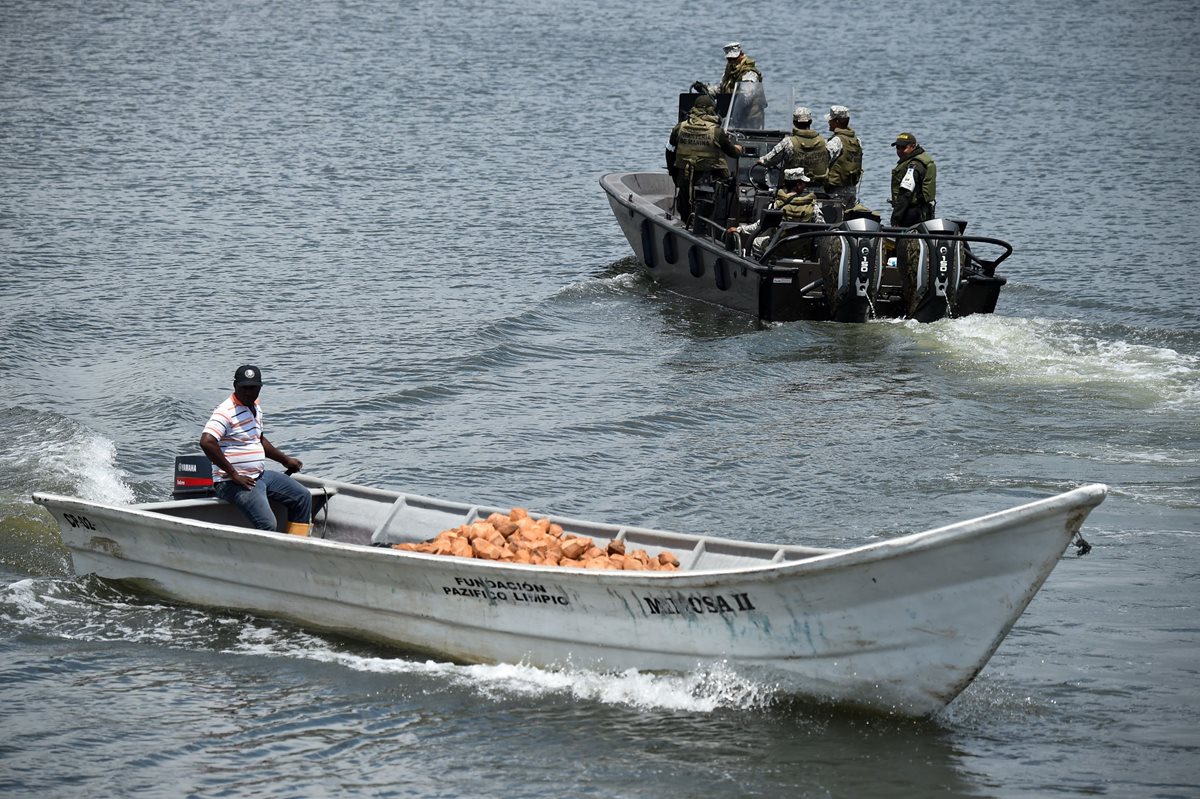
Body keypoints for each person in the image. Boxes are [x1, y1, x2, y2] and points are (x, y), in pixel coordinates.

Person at [199, 364, 313, 535]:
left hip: (259, 476)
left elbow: (258, 440)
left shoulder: (255, 407)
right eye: (244, 388)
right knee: (268, 524)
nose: (248, 392)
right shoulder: (225, 411)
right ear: (235, 386)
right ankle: (267, 559)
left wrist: (286, 461)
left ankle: (296, 547)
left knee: (302, 497)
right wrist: (234, 474)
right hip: (231, 482)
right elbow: (207, 442)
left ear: (260, 388)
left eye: (253, 388)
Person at [666, 93, 743, 225]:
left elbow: (669, 151)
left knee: (684, 208)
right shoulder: (716, 132)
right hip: (708, 180)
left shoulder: (680, 127)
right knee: (711, 207)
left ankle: (685, 226)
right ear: (711, 109)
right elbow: (733, 153)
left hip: (684, 176)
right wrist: (739, 149)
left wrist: (673, 172)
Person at [726, 167, 821, 256]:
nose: (805, 185)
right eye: (803, 183)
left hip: (778, 249)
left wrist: (739, 229)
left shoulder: (777, 205)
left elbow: (760, 226)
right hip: (803, 251)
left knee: (754, 242)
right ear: (798, 184)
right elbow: (822, 228)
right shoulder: (813, 206)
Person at [755, 106, 830, 187]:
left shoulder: (788, 142)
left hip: (793, 189)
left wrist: (761, 161)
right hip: (818, 188)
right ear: (810, 122)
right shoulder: (824, 142)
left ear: (794, 123)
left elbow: (770, 160)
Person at [889, 132, 936, 227]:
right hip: (923, 212)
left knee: (908, 241)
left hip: (912, 214)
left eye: (903, 148)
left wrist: (895, 218)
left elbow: (905, 194)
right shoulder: (919, 160)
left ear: (913, 146)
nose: (900, 151)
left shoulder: (913, 166)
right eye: (897, 148)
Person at [824, 105, 863, 207]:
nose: (828, 122)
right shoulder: (857, 140)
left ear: (837, 122)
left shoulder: (836, 141)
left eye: (830, 120)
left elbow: (823, 161)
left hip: (835, 192)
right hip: (851, 190)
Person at [692, 42, 763, 97]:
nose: (732, 61)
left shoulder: (749, 73)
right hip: (731, 109)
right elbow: (721, 90)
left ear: (741, 55)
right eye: (729, 59)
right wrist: (705, 89)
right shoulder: (729, 72)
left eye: (734, 58)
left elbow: (747, 95)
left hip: (748, 113)